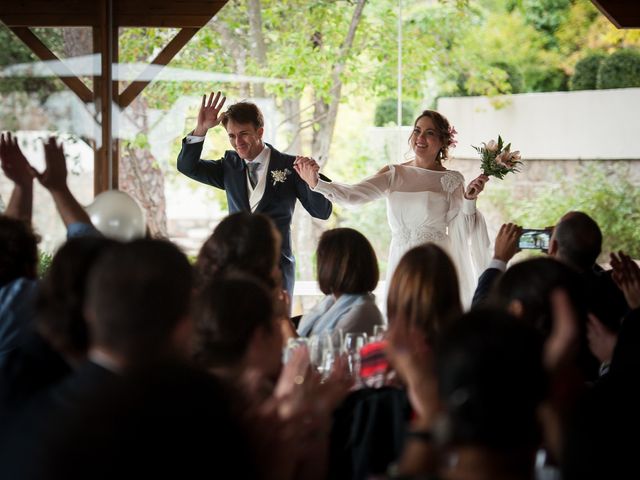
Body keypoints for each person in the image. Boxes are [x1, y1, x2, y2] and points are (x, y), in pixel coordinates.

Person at [294, 109, 490, 306]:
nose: (420, 137)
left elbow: (460, 230)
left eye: (429, 133)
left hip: (435, 262)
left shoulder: (452, 180)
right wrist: (317, 184)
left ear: (442, 141)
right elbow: (353, 196)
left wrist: (469, 200)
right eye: (417, 130)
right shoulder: (394, 173)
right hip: (401, 259)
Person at [177, 92, 333, 296]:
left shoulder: (291, 166)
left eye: (244, 134)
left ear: (260, 131)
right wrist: (201, 129)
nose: (237, 142)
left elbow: (322, 212)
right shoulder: (228, 166)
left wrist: (314, 182)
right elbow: (187, 166)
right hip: (236, 271)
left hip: (277, 269)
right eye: (231, 136)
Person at [297, 228, 384, 337]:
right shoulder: (330, 302)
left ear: (331, 266)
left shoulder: (363, 312)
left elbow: (322, 352)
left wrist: (283, 320)